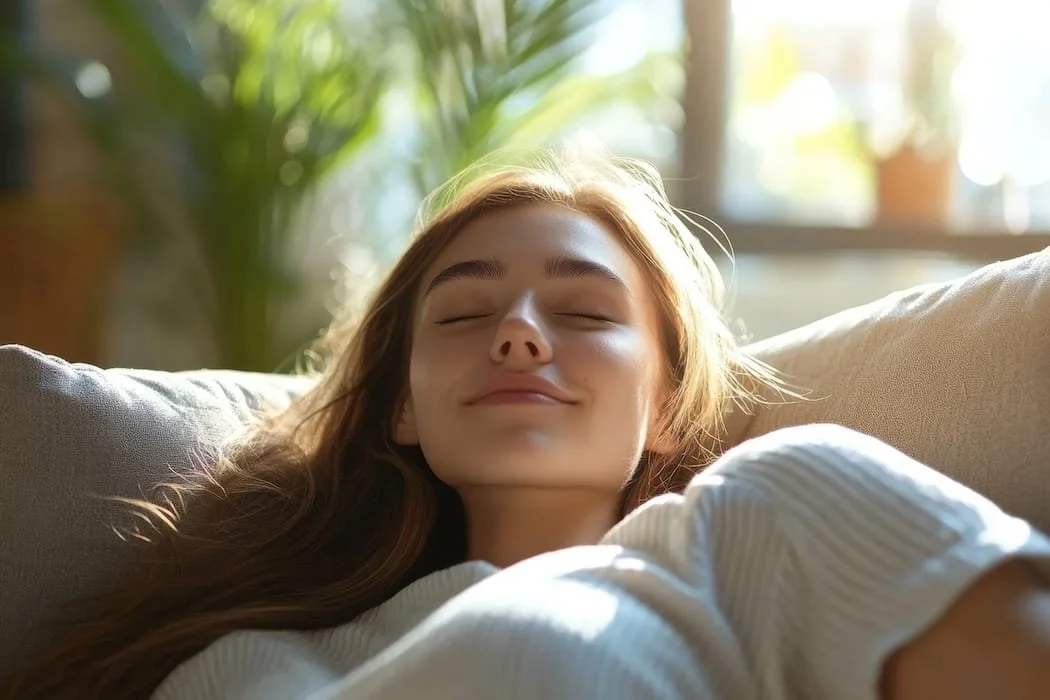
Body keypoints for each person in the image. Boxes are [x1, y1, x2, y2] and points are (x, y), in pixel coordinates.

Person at [6, 154, 1050, 700]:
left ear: (668, 403)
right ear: (402, 406)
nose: (516, 336)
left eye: (586, 312)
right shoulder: (237, 661)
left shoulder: (774, 514)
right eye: (464, 313)